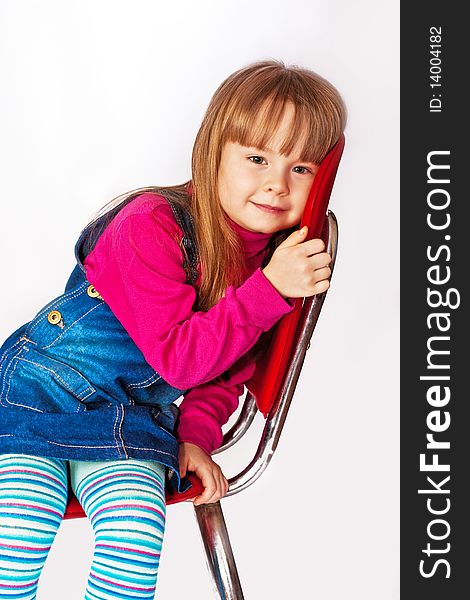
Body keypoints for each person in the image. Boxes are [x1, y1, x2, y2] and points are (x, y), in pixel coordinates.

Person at [0, 59, 346, 599]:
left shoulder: (271, 266)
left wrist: (195, 436)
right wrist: (269, 292)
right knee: (20, 527)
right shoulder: (151, 223)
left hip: (132, 423)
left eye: (300, 169)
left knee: (134, 539)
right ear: (214, 154)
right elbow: (179, 360)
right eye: (257, 158)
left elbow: (226, 371)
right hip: (37, 398)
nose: (276, 184)